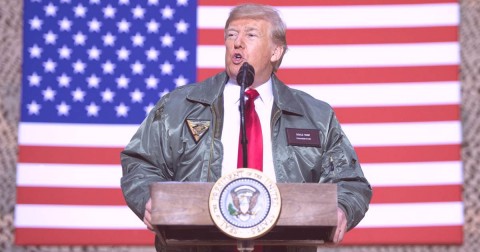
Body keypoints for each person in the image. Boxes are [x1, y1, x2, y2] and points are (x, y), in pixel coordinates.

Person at [121, 3, 372, 252]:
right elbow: (141, 162)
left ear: (276, 51)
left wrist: (341, 208)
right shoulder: (178, 106)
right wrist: (147, 198)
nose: (237, 43)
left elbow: (350, 181)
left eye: (250, 35)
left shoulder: (315, 116)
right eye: (231, 34)